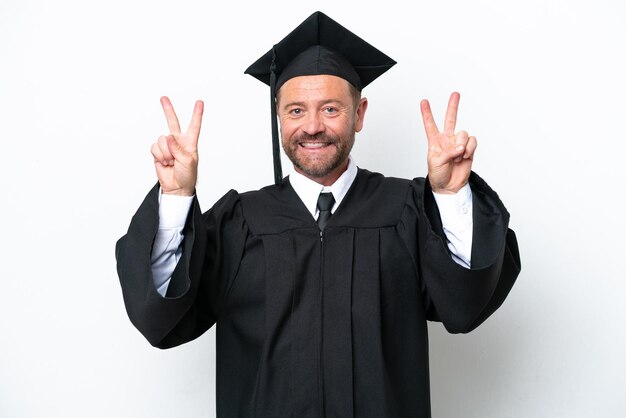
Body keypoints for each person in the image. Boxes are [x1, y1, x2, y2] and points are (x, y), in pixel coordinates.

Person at [116, 11, 521, 417]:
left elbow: (465, 304)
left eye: (330, 109)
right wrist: (176, 196)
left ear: (359, 114)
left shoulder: (408, 212)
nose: (312, 126)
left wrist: (450, 195)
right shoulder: (240, 222)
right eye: (295, 111)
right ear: (278, 116)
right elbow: (160, 318)